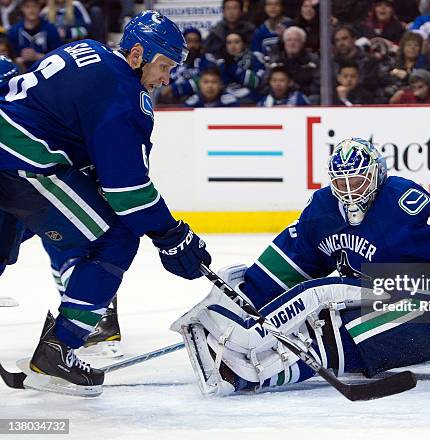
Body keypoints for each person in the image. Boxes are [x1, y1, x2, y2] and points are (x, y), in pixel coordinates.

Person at [170, 138, 430, 396]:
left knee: (327, 317)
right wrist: (245, 298)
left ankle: (254, 371)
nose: (349, 190)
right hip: (376, 309)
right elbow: (294, 256)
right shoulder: (324, 211)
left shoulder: (399, 203)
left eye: (358, 179)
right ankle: (243, 348)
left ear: (376, 175)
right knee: (316, 310)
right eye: (341, 181)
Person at [0, 10, 212, 396]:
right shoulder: (124, 95)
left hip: (7, 150)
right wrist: (171, 234)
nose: (166, 78)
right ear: (136, 54)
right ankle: (57, 351)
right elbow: (126, 191)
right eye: (163, 65)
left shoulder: (88, 49)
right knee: (114, 238)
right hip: (24, 165)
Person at [8, 0, 62, 69]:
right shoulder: (14, 31)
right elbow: (11, 57)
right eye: (27, 7)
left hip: (47, 69)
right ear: (22, 8)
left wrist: (37, 56)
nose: (31, 10)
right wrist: (20, 59)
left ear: (40, 8)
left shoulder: (50, 29)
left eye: (35, 6)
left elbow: (58, 55)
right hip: (22, 71)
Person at [218, 31, 265, 105]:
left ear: (243, 44)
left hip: (251, 101)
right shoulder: (220, 63)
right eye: (229, 43)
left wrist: (233, 67)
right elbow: (220, 86)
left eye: (236, 42)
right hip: (227, 102)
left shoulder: (254, 58)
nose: (232, 46)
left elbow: (256, 82)